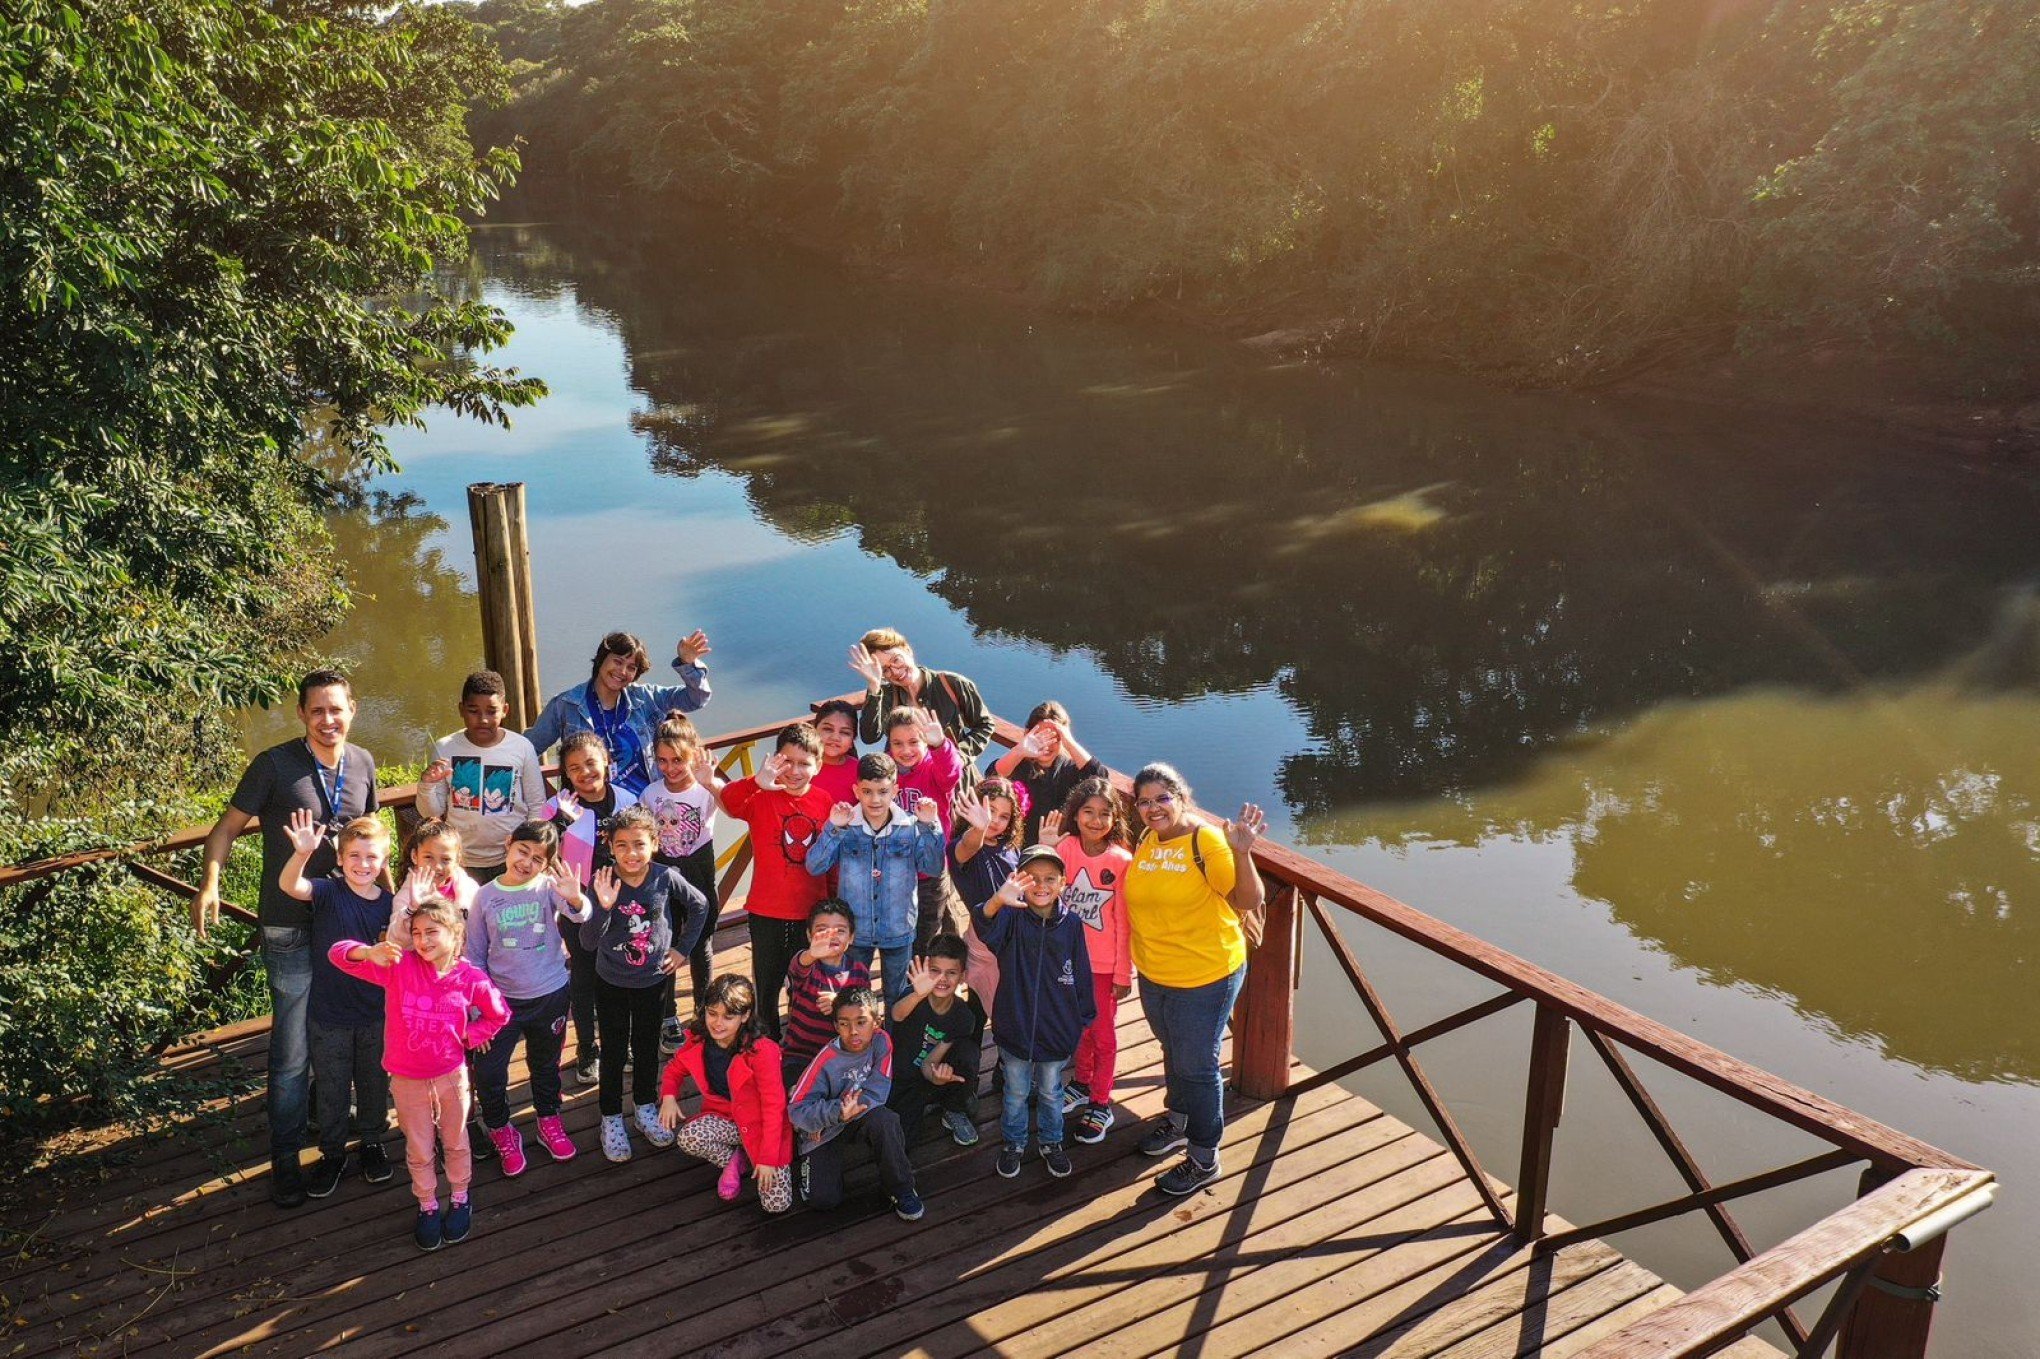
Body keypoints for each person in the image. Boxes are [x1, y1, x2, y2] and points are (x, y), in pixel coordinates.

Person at [191, 669, 379, 1209]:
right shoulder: (274, 765)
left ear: (352, 709)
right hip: (290, 926)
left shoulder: (362, 763)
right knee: (294, 1051)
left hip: (346, 923)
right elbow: (225, 828)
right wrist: (210, 883)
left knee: (345, 1033)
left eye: (336, 709)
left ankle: (340, 1137)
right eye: (317, 710)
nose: (328, 720)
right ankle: (286, 1158)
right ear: (301, 713)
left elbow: (370, 842)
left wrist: (391, 909)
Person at [330, 899, 508, 1252]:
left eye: (432, 932)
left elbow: (498, 1014)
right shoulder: (399, 966)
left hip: (451, 1076)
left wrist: (472, 1036)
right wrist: (368, 952)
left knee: (455, 1140)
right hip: (407, 1078)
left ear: (455, 933)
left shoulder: (470, 977)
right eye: (416, 933)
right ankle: (427, 1204)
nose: (423, 940)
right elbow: (337, 954)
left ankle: (459, 1198)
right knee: (419, 1146)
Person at [1123, 762, 1266, 1196]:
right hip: (1155, 971)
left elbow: (1248, 898)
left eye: (1162, 798)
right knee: (1174, 1050)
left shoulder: (1208, 842)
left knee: (1198, 1064)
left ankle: (1205, 1157)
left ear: (1182, 797)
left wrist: (1242, 852)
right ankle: (1180, 1121)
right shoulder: (1149, 837)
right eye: (1144, 802)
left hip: (1206, 974)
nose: (1152, 808)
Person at [278, 810, 395, 1196]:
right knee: (330, 1086)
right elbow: (290, 886)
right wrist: (301, 853)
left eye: (371, 857)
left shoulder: (390, 905)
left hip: (376, 1012)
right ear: (341, 859)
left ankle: (373, 1142)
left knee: (374, 1081)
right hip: (328, 1014)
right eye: (355, 856)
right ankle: (331, 1152)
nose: (363, 864)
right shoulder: (328, 892)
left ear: (384, 860)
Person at [582, 806, 709, 1162]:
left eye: (639, 844)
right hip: (611, 981)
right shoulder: (604, 880)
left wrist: (683, 950)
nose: (631, 853)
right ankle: (610, 1116)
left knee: (648, 1046)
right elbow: (589, 941)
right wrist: (605, 906)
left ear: (654, 844)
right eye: (622, 845)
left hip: (653, 981)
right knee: (614, 1050)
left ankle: (644, 1106)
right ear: (610, 847)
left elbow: (700, 906)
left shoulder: (666, 877)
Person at [466, 820, 591, 1175]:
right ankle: (501, 1129)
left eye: (538, 858)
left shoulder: (548, 887)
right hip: (498, 1005)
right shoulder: (484, 896)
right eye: (523, 851)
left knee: (546, 1065)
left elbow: (582, 914)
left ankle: (548, 1120)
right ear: (509, 844)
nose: (527, 862)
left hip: (549, 994)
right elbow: (474, 955)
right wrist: (478, 1008)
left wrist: (574, 895)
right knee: (490, 1074)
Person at [973, 848, 1095, 1181]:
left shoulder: (1071, 924)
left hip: (1056, 1032)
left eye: (1049, 879)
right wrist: (998, 899)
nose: (1041, 885)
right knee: (1014, 1092)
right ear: (1018, 882)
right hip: (1015, 1027)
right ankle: (1013, 1143)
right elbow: (983, 925)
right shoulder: (1010, 918)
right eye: (1032, 879)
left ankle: (1051, 1143)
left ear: (1063, 883)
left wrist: (1081, 1018)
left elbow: (1081, 972)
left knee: (1051, 1092)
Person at [717, 723, 833, 1040]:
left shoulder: (825, 802)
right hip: (766, 910)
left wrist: (833, 908)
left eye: (804, 763)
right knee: (766, 983)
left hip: (811, 913)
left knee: (805, 984)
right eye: (787, 761)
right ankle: (767, 1042)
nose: (795, 771)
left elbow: (834, 859)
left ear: (818, 765)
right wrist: (757, 781)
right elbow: (727, 800)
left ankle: (800, 1041)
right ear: (775, 761)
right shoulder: (760, 797)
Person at [803, 753, 943, 1007]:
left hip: (899, 929)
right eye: (867, 791)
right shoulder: (845, 826)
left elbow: (933, 867)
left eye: (883, 791)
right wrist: (833, 828)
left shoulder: (912, 826)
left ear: (895, 790)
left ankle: (892, 1044)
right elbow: (815, 866)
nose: (875, 799)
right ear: (856, 790)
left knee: (896, 997)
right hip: (857, 933)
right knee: (852, 998)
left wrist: (930, 824)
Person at [1044, 777, 1134, 1144]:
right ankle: (1081, 1082)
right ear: (1075, 814)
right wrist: (1044, 848)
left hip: (1102, 965)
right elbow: (1039, 887)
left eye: (1104, 813)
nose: (1096, 821)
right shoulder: (1065, 848)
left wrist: (1122, 971)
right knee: (1078, 1028)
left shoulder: (1122, 861)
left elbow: (1124, 920)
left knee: (1102, 1034)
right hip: (1067, 959)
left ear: (1115, 817)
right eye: (1088, 812)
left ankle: (1101, 1101)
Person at [657, 975, 794, 1214]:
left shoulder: (763, 1051)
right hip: (727, 1120)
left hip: (762, 1129)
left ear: (745, 1016)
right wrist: (668, 1095)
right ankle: (738, 1160)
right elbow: (674, 1069)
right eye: (712, 1013)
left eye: (728, 1017)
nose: (718, 1023)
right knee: (689, 1138)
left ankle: (753, 1159)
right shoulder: (697, 1038)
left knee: (777, 1205)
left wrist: (768, 1158)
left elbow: (774, 1108)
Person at [545, 731, 638, 1084]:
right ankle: (587, 1046)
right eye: (574, 768)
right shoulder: (559, 807)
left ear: (607, 763)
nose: (584, 773)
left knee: (621, 974)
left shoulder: (629, 800)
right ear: (565, 774)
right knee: (583, 978)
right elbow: (542, 849)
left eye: (590, 763)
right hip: (579, 906)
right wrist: (561, 821)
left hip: (623, 904)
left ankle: (620, 1042)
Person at [788, 988, 923, 1221]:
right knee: (823, 1200)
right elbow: (797, 1109)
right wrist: (836, 1114)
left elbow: (878, 1091)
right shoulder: (825, 1062)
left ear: (876, 1023)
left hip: (862, 1114)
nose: (853, 1032)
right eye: (844, 1024)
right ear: (835, 1026)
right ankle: (804, 1168)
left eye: (861, 1022)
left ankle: (901, 1188)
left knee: (887, 1120)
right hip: (826, 1128)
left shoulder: (881, 1042)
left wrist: (852, 1112)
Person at [526, 630, 714, 795]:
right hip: (590, 814)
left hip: (645, 810)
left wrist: (687, 664)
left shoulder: (645, 698)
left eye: (631, 667)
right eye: (617, 661)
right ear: (601, 660)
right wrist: (545, 799)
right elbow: (525, 751)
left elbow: (695, 698)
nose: (622, 671)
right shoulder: (566, 705)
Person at [417, 670, 547, 882]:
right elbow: (432, 812)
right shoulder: (444, 748)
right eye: (474, 711)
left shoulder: (522, 748)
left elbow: (536, 803)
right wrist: (427, 785)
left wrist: (525, 849)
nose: (483, 719)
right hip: (461, 861)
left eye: (491, 711)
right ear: (461, 710)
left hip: (510, 859)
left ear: (504, 710)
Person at [640, 714, 723, 1036]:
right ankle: (668, 1014)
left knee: (701, 943)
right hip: (663, 874)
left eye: (678, 760)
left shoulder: (706, 790)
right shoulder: (650, 793)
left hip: (699, 870)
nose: (670, 768)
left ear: (693, 754)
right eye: (662, 761)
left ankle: (704, 1010)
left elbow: (735, 809)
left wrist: (712, 783)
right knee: (666, 941)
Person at [847, 628, 994, 771]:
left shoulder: (951, 683)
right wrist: (874, 686)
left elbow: (984, 725)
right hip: (905, 780)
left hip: (952, 777)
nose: (895, 671)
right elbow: (870, 737)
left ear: (908, 650)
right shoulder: (885, 693)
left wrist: (959, 756)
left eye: (896, 660)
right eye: (885, 670)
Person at [883, 706, 967, 949]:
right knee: (903, 925)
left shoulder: (934, 768)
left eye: (914, 741)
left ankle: (932, 969)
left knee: (929, 929)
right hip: (898, 866)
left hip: (931, 867)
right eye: (898, 743)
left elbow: (951, 773)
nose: (906, 750)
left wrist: (940, 744)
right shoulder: (887, 771)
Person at [886, 940, 983, 1148]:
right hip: (900, 1080)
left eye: (951, 973)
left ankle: (953, 1107)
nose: (942, 979)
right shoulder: (913, 996)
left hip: (927, 1075)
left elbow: (930, 1061)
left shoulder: (963, 1016)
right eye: (935, 971)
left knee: (968, 1053)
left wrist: (936, 1077)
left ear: (963, 977)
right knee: (904, 1141)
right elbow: (897, 1014)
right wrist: (917, 994)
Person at [946, 778, 1025, 1023]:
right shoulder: (961, 847)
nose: (995, 821)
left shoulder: (1008, 847)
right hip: (983, 939)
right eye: (990, 811)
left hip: (1013, 937)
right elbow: (968, 846)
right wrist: (979, 828)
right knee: (978, 1004)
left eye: (1004, 816)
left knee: (1012, 997)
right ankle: (970, 1055)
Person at [778, 900, 872, 1088]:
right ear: (809, 935)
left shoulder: (859, 971)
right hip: (800, 1056)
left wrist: (838, 1003)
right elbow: (797, 966)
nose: (832, 936)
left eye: (840, 930)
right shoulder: (809, 966)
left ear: (851, 937)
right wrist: (812, 954)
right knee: (796, 1092)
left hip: (841, 1055)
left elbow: (865, 1009)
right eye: (822, 930)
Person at [988, 702, 1107, 844]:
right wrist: (1019, 751)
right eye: (1041, 737)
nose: (1048, 745)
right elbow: (992, 777)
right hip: (1013, 845)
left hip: (1054, 849)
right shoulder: (1016, 763)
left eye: (1055, 738)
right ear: (1027, 734)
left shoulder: (1070, 770)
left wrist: (1069, 742)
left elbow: (1100, 779)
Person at [386, 820, 479, 950]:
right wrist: (411, 909)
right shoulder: (406, 897)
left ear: (457, 859)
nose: (437, 866)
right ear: (414, 856)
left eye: (446, 859)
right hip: (424, 967)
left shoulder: (470, 889)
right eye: (429, 857)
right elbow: (395, 942)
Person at [809, 699, 862, 809]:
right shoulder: (798, 765)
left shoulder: (861, 771)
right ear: (814, 730)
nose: (835, 737)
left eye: (844, 732)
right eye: (828, 729)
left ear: (853, 740)